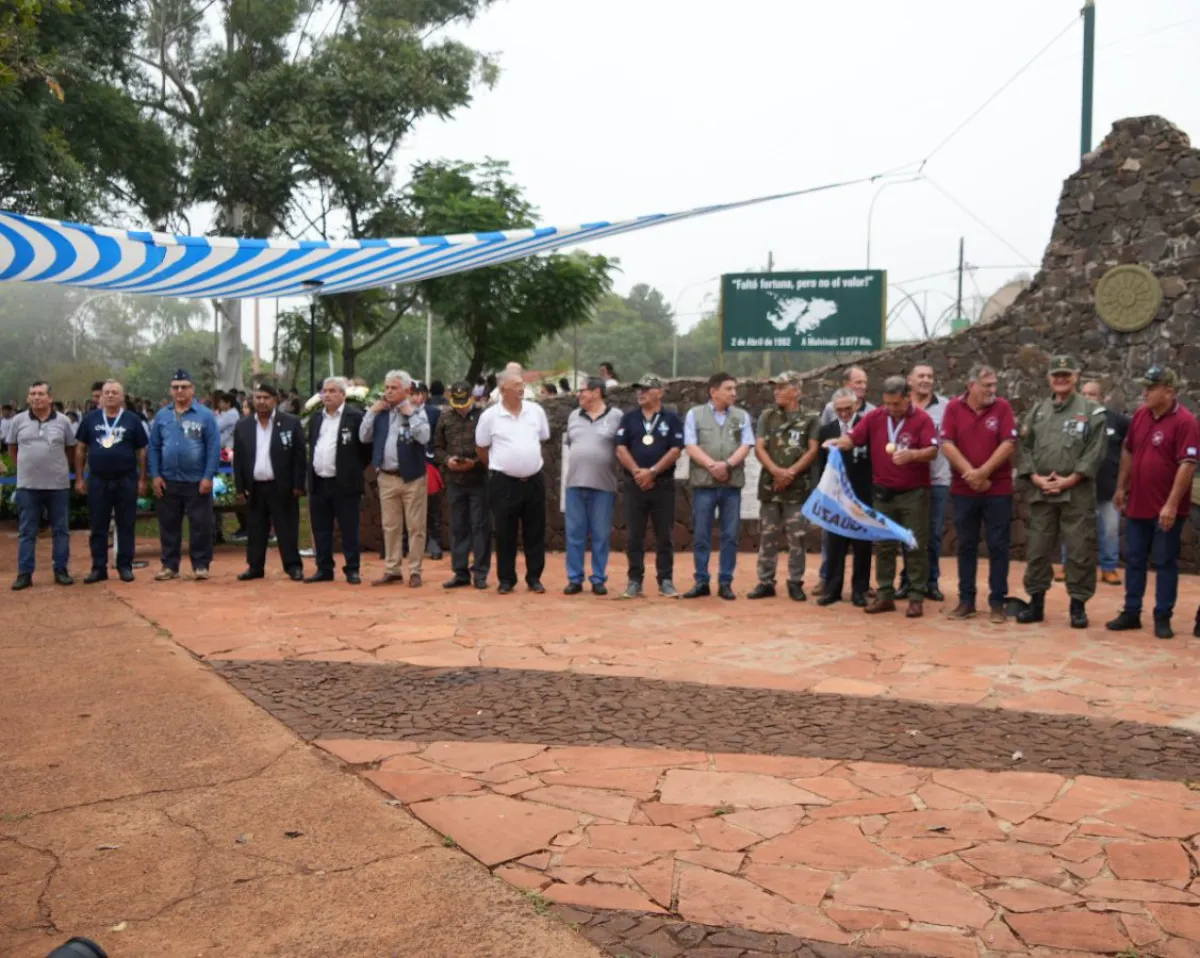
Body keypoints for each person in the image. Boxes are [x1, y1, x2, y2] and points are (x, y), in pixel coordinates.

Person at [830, 375, 938, 617]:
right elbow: (854, 437)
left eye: (896, 404)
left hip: (914, 494)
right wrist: (840, 443)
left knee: (914, 544)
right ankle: (885, 594)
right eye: (887, 403)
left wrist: (912, 455)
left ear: (907, 398)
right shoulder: (876, 416)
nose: (890, 409)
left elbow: (932, 450)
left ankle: (916, 596)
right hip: (883, 494)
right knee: (884, 546)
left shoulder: (922, 419)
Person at [1106, 367, 1199, 640]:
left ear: (1168, 391)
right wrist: (1122, 486)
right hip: (1138, 504)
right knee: (1134, 559)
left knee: (1165, 561)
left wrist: (1171, 505)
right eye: (1144, 387)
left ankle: (1162, 615)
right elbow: (1128, 449)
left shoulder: (1185, 422)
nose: (1144, 392)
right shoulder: (1140, 415)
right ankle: (1132, 612)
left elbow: (1187, 464)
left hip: (1166, 510)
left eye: (1151, 388)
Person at [1015, 355, 1107, 628]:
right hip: (1042, 492)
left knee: (1080, 551)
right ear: (1049, 378)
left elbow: (1096, 450)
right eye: (1057, 374)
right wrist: (1035, 477)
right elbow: (1024, 447)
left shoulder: (1092, 411)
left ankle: (1077, 607)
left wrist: (1070, 479)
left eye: (1066, 374)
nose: (1061, 379)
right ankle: (1036, 604)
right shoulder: (1038, 411)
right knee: (1038, 550)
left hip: (1076, 494)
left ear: (1076, 377)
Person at [939, 364, 1018, 623]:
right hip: (964, 490)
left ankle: (997, 603)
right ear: (971, 386)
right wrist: (971, 474)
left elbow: (1008, 443)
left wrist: (983, 472)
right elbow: (946, 444)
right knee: (966, 545)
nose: (993, 391)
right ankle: (966, 601)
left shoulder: (1002, 407)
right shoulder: (953, 408)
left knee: (998, 546)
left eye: (994, 385)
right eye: (987, 386)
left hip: (998, 490)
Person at [476, 365, 550, 594]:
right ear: (503, 388)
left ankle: (534, 577)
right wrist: (498, 467)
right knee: (505, 532)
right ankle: (506, 579)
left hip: (534, 480)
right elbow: (481, 447)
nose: (522, 388)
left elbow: (543, 437)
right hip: (503, 483)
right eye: (516, 385)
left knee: (535, 531)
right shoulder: (489, 416)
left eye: (522, 384)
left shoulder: (536, 411)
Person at [749, 371, 820, 601]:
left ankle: (795, 582)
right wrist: (777, 472)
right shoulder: (767, 416)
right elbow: (759, 448)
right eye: (775, 388)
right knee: (767, 535)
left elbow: (812, 449)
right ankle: (765, 581)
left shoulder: (810, 417)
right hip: (770, 486)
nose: (776, 391)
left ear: (796, 390)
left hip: (797, 487)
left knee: (796, 536)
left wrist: (790, 473)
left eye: (781, 387)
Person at [683, 372, 754, 600]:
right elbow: (690, 445)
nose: (734, 393)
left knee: (730, 535)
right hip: (704, 484)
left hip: (731, 484)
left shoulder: (741, 416)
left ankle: (725, 582)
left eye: (734, 388)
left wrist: (728, 464)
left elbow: (746, 444)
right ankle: (701, 581)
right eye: (729, 388)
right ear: (713, 391)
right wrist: (713, 465)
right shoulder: (695, 414)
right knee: (702, 534)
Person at [615, 373, 684, 599]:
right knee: (634, 535)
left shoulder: (671, 419)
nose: (640, 393)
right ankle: (635, 581)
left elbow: (675, 449)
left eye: (646, 389)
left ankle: (665, 580)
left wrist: (653, 472)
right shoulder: (629, 418)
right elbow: (620, 448)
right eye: (639, 389)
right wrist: (637, 472)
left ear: (659, 392)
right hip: (635, 484)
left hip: (662, 484)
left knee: (664, 534)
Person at [148, 370, 221, 581]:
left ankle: (201, 565)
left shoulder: (205, 415)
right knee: (169, 525)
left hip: (197, 481)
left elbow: (213, 447)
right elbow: (154, 447)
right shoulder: (162, 416)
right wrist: (155, 475)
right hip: (168, 480)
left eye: (184, 386)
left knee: (200, 524)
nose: (180, 391)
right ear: (171, 390)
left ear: (192, 389)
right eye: (176, 387)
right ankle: (169, 565)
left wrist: (208, 476)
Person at [360, 370, 429, 587]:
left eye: (393, 388)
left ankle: (415, 570)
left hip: (413, 478)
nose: (388, 391)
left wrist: (410, 414)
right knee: (390, 526)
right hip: (387, 476)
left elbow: (425, 437)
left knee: (416, 526)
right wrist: (371, 412)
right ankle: (393, 569)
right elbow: (363, 436)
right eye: (387, 387)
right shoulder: (380, 412)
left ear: (407, 390)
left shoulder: (417, 411)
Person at [75, 380, 147, 584]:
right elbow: (80, 449)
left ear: (122, 397)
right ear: (100, 396)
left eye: (115, 392)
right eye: (106, 392)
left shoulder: (132, 420)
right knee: (98, 525)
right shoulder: (90, 419)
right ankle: (98, 568)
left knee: (126, 524)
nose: (110, 396)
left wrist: (142, 479)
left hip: (126, 479)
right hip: (98, 480)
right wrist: (80, 477)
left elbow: (142, 451)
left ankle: (125, 566)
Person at [232, 383, 307, 582]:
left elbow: (300, 456)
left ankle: (293, 566)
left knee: (287, 528)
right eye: (258, 397)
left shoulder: (290, 423)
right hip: (255, 486)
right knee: (255, 528)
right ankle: (255, 566)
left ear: (275, 400)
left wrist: (299, 484)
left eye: (266, 398)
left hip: (282, 486)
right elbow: (238, 459)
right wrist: (240, 487)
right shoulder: (243, 426)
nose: (262, 402)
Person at [1058, 380, 1128, 586]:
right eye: (1085, 394)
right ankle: (1066, 565)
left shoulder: (1118, 421)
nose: (1088, 398)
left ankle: (1109, 568)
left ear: (1102, 397)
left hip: (1108, 488)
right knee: (1073, 528)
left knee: (1110, 530)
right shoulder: (1072, 419)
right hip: (1078, 486)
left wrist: (1123, 485)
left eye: (1093, 394)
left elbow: (1130, 449)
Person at [9, 381, 77, 590]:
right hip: (28, 486)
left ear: (49, 397)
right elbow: (13, 448)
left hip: (57, 485)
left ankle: (61, 570)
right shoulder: (18, 420)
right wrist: (26, 467)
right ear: (28, 398)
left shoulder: (63, 421)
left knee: (61, 529)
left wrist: (56, 467)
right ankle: (25, 573)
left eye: (40, 394)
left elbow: (71, 450)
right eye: (33, 394)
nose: (36, 397)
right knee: (27, 530)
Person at [562, 376, 623, 595]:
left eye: (584, 391)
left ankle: (598, 578)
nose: (580, 394)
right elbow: (572, 444)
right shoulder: (573, 416)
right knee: (574, 533)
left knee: (601, 534)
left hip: (603, 485)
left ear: (597, 392)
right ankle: (574, 578)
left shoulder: (616, 417)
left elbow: (622, 447)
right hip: (575, 484)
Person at [306, 376, 368, 584]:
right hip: (319, 481)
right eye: (325, 391)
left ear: (343, 394)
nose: (328, 395)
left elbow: (365, 449)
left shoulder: (355, 416)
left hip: (345, 483)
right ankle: (324, 568)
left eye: (333, 391)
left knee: (349, 527)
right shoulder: (316, 418)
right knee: (321, 528)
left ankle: (352, 568)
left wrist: (353, 469)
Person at [898, 363, 950, 602]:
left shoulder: (946, 407)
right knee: (908, 534)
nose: (926, 380)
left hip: (938, 480)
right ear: (910, 380)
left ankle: (931, 582)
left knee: (934, 535)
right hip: (906, 481)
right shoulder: (900, 407)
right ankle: (907, 581)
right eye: (920, 376)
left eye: (930, 376)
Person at [816, 388, 872, 607]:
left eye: (848, 409)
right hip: (836, 499)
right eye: (839, 410)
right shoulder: (826, 430)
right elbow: (821, 467)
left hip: (862, 497)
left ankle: (860, 590)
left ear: (856, 405)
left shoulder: (867, 427)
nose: (844, 414)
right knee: (834, 546)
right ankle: (832, 590)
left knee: (862, 547)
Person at [434, 381, 491, 589]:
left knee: (480, 527)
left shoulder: (484, 417)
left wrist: (474, 463)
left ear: (472, 397)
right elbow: (437, 448)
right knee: (458, 527)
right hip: (454, 481)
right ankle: (460, 572)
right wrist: (447, 460)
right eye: (456, 402)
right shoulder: (445, 417)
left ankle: (481, 573)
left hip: (478, 480)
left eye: (463, 402)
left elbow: (491, 447)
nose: (460, 407)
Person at [414, 382, 444, 560]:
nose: (416, 397)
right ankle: (405, 543)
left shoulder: (435, 412)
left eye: (419, 393)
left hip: (429, 463)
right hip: (408, 464)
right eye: (413, 393)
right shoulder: (400, 413)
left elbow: (439, 437)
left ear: (425, 395)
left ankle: (434, 541)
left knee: (433, 505)